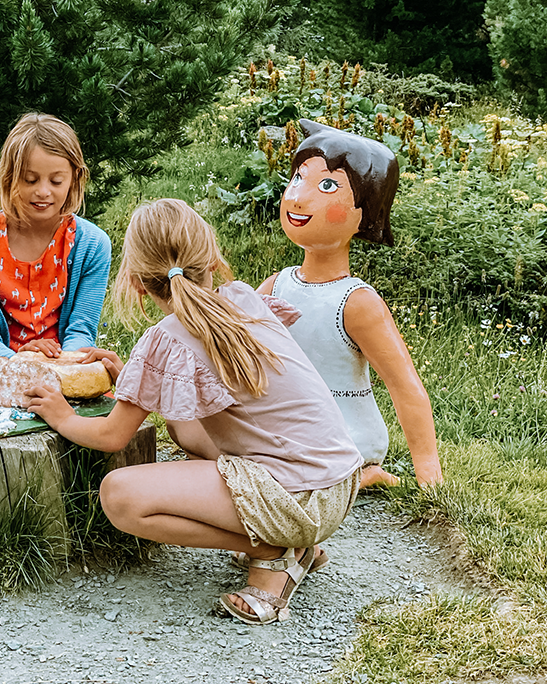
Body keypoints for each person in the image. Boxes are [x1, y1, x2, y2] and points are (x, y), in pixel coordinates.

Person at [27, 199, 363, 625]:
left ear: (136, 283)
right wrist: (134, 376)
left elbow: (112, 437)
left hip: (295, 499)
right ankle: (291, 540)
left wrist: (61, 415)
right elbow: (196, 402)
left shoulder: (165, 337)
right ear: (212, 259)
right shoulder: (244, 298)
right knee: (185, 431)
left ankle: (270, 549)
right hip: (336, 485)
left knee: (119, 497)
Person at [257, 119, 444, 488]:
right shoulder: (277, 286)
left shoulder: (357, 303)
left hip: (344, 436)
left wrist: (430, 477)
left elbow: (404, 385)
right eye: (298, 177)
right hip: (291, 429)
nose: (298, 196)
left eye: (327, 185)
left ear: (366, 214)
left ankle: (364, 472)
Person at [0, 113, 113, 364]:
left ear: (74, 179)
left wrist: (57, 365)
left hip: (65, 371)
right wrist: (20, 364)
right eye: (30, 180)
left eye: (56, 181)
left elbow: (81, 331)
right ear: (9, 177)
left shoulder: (93, 245)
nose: (43, 192)